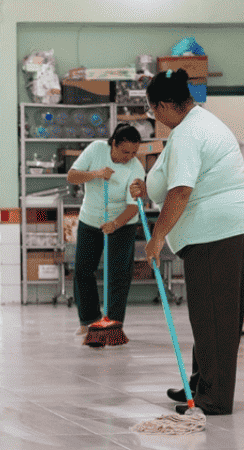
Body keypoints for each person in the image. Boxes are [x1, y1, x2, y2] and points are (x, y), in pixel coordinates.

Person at [130, 69, 244, 415]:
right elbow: (172, 178)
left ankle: (213, 397)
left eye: (155, 108)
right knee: (213, 315)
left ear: (169, 104)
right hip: (231, 227)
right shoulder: (199, 123)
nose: (154, 115)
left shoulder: (189, 132)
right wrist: (147, 186)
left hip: (216, 233)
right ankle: (202, 383)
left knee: (214, 317)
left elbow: (182, 190)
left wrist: (156, 239)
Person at [67, 124, 146, 336]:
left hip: (122, 224)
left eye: (134, 153)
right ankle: (89, 320)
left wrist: (115, 224)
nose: (129, 157)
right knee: (83, 270)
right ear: (113, 144)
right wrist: (95, 174)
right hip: (90, 220)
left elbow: (132, 206)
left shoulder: (136, 168)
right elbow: (72, 176)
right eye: (124, 151)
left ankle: (114, 323)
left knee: (119, 274)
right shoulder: (96, 150)